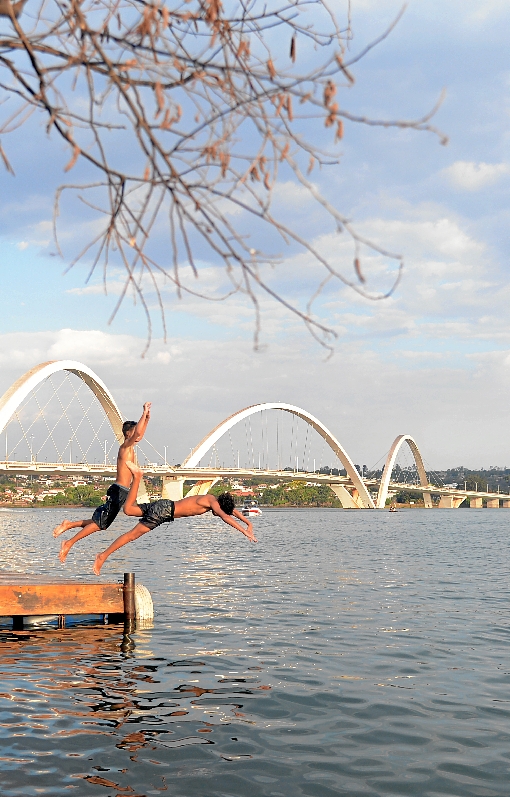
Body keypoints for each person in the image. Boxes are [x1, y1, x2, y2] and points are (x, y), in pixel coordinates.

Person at [93, 461, 257, 575]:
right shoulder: (212, 502)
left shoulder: (213, 499)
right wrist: (244, 531)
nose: (215, 513)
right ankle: (103, 556)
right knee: (131, 535)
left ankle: (137, 477)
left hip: (165, 505)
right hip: (163, 512)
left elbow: (231, 511)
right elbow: (224, 516)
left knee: (128, 510)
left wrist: (248, 522)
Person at [53, 403, 152, 563]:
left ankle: (69, 524)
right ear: (128, 434)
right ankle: (69, 543)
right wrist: (143, 413)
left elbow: (140, 433)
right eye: (134, 433)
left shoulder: (131, 447)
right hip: (119, 491)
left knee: (99, 522)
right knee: (100, 525)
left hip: (121, 492)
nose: (138, 436)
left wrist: (147, 419)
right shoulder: (125, 447)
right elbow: (138, 432)